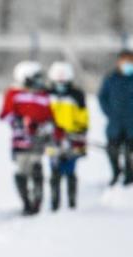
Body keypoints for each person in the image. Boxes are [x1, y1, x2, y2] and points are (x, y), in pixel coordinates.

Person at [0, 61, 56, 215]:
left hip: (39, 140)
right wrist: (20, 121)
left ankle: (37, 202)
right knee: (22, 171)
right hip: (20, 141)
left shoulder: (43, 94)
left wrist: (47, 126)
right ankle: (26, 202)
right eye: (36, 78)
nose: (40, 81)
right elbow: (5, 115)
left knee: (37, 167)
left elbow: (50, 115)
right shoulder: (14, 94)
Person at [98, 50, 133, 185]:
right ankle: (116, 173)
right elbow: (102, 97)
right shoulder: (111, 79)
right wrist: (109, 112)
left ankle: (130, 176)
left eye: (129, 61)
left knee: (131, 151)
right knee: (112, 150)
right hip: (115, 122)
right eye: (124, 61)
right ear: (118, 62)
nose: (127, 64)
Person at [46, 61, 89, 210]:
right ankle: (54, 204)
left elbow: (83, 117)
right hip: (52, 139)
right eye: (58, 81)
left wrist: (79, 132)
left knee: (70, 170)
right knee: (54, 172)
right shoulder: (47, 94)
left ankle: (72, 203)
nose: (60, 84)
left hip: (72, 138)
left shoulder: (77, 95)